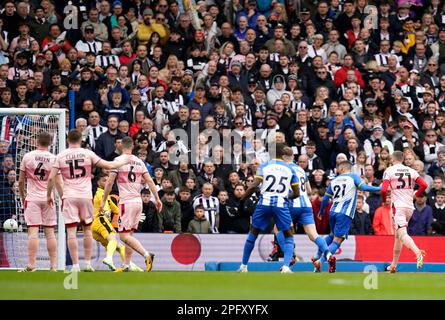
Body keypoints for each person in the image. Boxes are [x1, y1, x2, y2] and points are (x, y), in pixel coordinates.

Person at [46, 129, 130, 272]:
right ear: (81, 140)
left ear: (68, 140)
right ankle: (88, 264)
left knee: (71, 232)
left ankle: (75, 265)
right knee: (87, 231)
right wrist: (123, 160)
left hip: (69, 196)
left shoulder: (60, 155)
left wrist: (50, 195)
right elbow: (108, 165)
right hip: (85, 196)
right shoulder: (87, 153)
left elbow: (51, 178)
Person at [100, 136, 162, 272]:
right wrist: (157, 198)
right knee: (129, 235)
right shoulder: (139, 161)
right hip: (138, 201)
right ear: (133, 146)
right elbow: (150, 181)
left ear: (121, 146)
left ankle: (147, 255)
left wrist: (104, 200)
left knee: (123, 236)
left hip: (126, 202)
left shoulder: (118, 161)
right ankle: (127, 264)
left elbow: (109, 182)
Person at [238, 144, 300, 274]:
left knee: (253, 233)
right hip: (280, 205)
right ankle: (286, 267)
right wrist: (284, 196)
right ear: (283, 155)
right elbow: (297, 193)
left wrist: (242, 199)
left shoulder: (264, 165)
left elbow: (254, 186)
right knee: (289, 235)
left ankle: (244, 266)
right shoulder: (290, 169)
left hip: (264, 203)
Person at [314, 161, 381, 273]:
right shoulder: (353, 177)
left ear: (341, 169)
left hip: (333, 212)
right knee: (337, 241)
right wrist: (378, 188)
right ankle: (320, 262)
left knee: (331, 235)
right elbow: (364, 187)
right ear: (348, 169)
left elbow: (325, 198)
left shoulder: (334, 180)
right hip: (344, 213)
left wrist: (321, 211)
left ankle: (317, 254)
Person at [273, 149, 329, 269]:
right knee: (313, 234)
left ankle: (289, 258)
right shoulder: (301, 170)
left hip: (291, 205)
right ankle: (328, 254)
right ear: (293, 156)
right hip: (306, 205)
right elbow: (309, 190)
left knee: (278, 229)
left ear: (282, 157)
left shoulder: (283, 169)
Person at [17, 132, 63, 272]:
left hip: (32, 198)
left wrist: (23, 196)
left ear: (37, 141)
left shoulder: (27, 156)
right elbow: (58, 183)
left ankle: (31, 265)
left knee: (33, 232)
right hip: (48, 198)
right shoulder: (54, 158)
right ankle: (54, 266)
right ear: (50, 143)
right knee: (50, 233)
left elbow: (20, 181)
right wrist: (63, 199)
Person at [381, 150, 429, 273]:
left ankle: (418, 252)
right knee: (398, 236)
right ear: (403, 159)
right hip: (409, 207)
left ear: (392, 159)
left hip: (398, 207)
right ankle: (393, 265)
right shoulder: (411, 171)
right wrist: (416, 195)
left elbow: (383, 189)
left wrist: (384, 200)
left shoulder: (389, 171)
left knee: (402, 235)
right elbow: (424, 185)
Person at [92, 172, 142, 271]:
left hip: (95, 227)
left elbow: (116, 210)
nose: (107, 183)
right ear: (98, 183)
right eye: (104, 181)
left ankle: (130, 265)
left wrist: (129, 214)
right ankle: (109, 259)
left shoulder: (107, 196)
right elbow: (104, 205)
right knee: (113, 239)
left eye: (108, 181)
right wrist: (106, 211)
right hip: (101, 221)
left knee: (119, 246)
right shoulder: (100, 193)